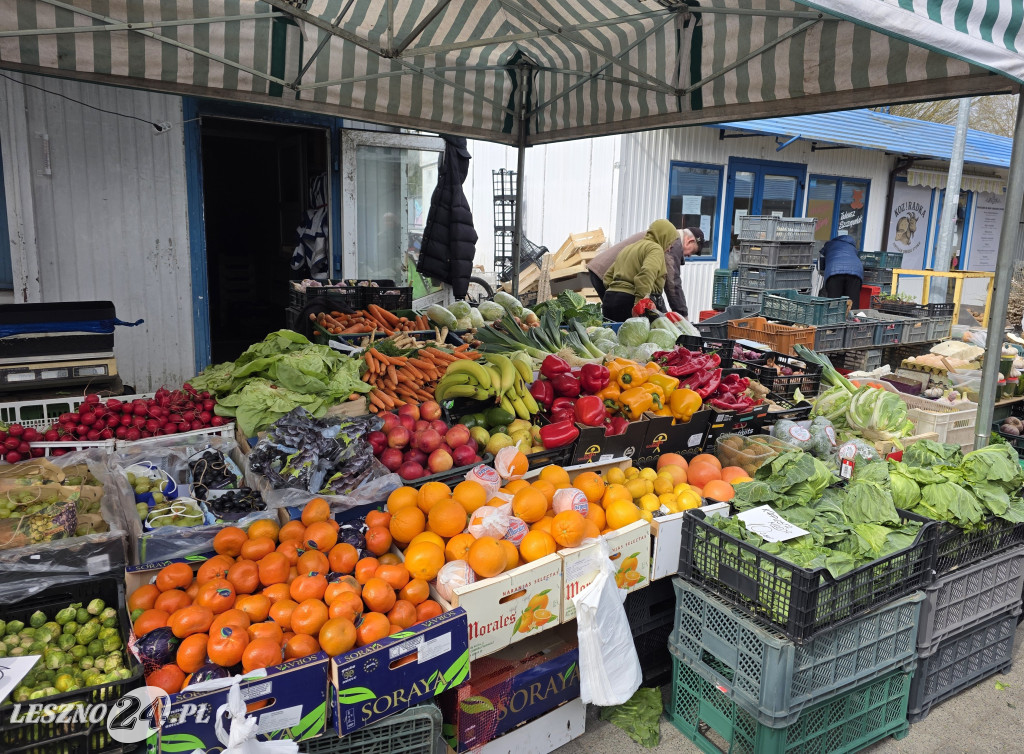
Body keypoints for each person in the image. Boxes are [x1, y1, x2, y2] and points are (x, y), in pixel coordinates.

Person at [589, 224, 703, 316]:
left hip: (608, 288)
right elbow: (668, 282)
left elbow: (610, 275)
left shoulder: (633, 246)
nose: (669, 248)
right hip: (624, 293)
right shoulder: (662, 245)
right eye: (692, 252)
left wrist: (616, 291)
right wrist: (681, 315)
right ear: (690, 241)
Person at [601, 219, 681, 322]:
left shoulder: (629, 248)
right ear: (663, 237)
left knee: (613, 336)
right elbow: (647, 273)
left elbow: (607, 276)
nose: (669, 248)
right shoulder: (655, 249)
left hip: (609, 301)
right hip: (630, 302)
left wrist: (617, 290)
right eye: (670, 243)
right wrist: (639, 305)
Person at [819, 234, 863, 301]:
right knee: (852, 301)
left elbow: (822, 262)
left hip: (835, 271)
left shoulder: (830, 244)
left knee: (833, 301)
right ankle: (852, 311)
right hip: (855, 271)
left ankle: (833, 310)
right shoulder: (852, 247)